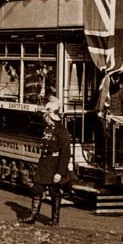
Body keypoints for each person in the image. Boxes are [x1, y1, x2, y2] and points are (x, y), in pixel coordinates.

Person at [23, 97, 71, 226]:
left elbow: (65, 153)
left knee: (54, 192)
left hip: (55, 165)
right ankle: (33, 215)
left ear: (50, 114)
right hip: (45, 163)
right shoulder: (47, 129)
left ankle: (54, 220)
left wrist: (59, 172)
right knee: (37, 188)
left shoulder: (62, 131)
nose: (44, 117)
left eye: (46, 114)